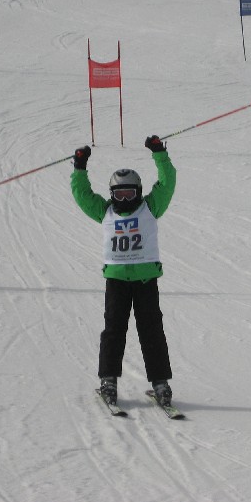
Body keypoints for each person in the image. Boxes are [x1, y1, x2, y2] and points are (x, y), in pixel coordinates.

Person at [71, 135, 177, 407]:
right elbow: (83, 196)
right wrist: (80, 168)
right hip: (116, 281)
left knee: (151, 330)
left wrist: (159, 153)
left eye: (130, 193)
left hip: (145, 281)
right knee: (113, 331)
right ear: (111, 194)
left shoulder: (151, 207)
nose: (125, 198)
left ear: (139, 191)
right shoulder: (105, 211)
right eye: (120, 194)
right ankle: (108, 380)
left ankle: (160, 383)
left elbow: (167, 183)